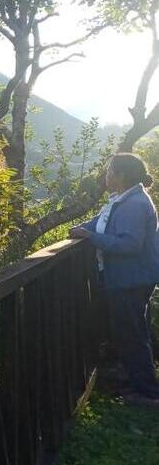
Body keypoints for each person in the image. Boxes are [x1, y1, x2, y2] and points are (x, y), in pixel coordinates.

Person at [69, 153, 159, 406]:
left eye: (110, 171)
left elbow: (130, 245)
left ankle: (147, 392)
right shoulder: (123, 200)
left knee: (132, 334)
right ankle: (137, 383)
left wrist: (90, 238)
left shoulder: (134, 204)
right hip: (128, 278)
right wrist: (83, 229)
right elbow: (101, 223)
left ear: (122, 175)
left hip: (131, 279)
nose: (106, 176)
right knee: (131, 332)